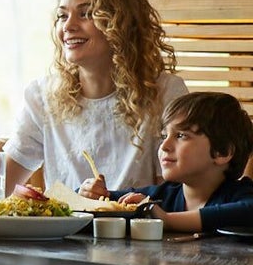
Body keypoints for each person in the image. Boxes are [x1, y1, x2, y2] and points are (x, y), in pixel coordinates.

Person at [3, 0, 188, 192]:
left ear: (119, 24)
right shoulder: (42, 96)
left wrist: (111, 200)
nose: (68, 26)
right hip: (63, 229)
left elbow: (173, 197)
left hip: (137, 228)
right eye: (62, 15)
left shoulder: (166, 92)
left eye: (86, 14)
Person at [79, 92, 253, 233]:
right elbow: (106, 202)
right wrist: (87, 194)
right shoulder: (160, 197)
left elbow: (247, 210)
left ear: (222, 152)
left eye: (181, 136)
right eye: (164, 136)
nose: (164, 145)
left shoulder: (242, 196)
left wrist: (166, 220)